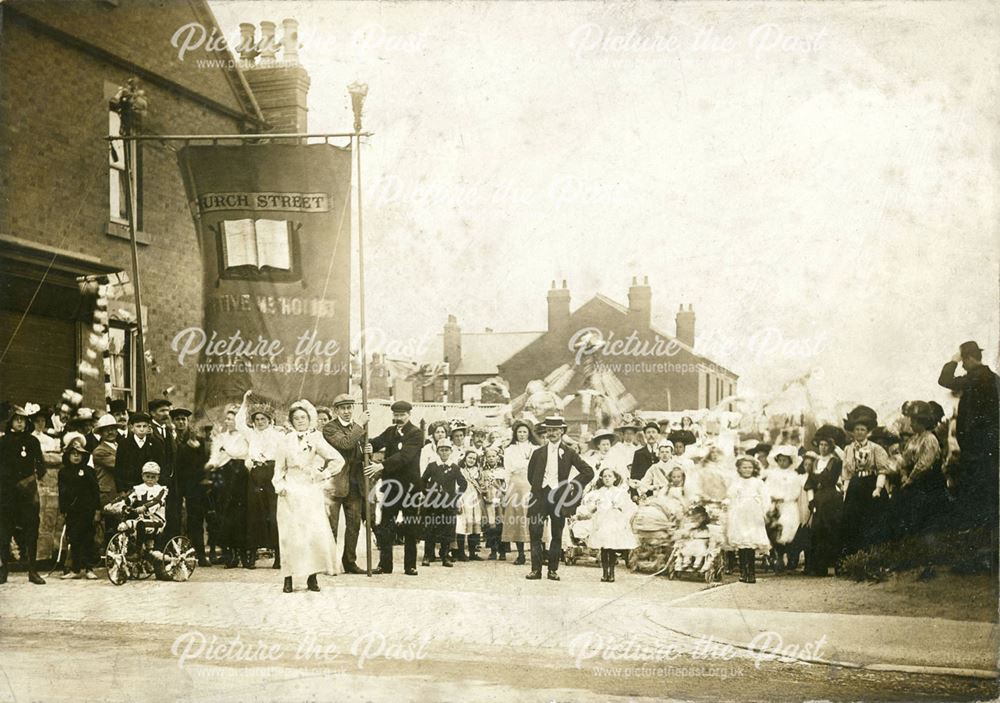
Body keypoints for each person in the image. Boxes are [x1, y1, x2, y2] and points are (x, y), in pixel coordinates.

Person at [272, 399, 345, 593]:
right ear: (291, 421)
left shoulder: (316, 439)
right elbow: (278, 468)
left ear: (309, 419)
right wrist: (279, 486)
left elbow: (338, 460)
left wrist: (323, 473)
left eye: (303, 417)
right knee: (289, 536)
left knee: (311, 534)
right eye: (296, 418)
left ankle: (312, 578)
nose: (300, 421)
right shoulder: (284, 441)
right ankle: (288, 578)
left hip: (309, 491)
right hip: (290, 491)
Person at [938, 341, 1000, 535]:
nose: (962, 366)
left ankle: (978, 526)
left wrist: (952, 360)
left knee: (975, 482)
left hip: (977, 441)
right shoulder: (994, 378)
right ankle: (988, 525)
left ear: (969, 358)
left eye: (963, 361)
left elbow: (945, 380)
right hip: (991, 439)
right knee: (989, 480)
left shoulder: (976, 377)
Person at [525, 416, 594, 582]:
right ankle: (535, 570)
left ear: (562, 431)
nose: (552, 433)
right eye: (549, 430)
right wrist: (539, 487)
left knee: (556, 535)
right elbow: (530, 475)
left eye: (555, 430)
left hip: (558, 498)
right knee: (535, 533)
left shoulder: (569, 452)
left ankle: (553, 570)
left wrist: (572, 486)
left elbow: (588, 472)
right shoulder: (538, 452)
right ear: (546, 432)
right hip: (539, 496)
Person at [365, 401, 423, 576]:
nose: (398, 418)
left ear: (409, 415)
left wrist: (381, 466)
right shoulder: (390, 431)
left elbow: (404, 456)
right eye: (396, 415)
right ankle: (385, 564)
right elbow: (376, 442)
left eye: (402, 415)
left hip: (410, 489)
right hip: (391, 488)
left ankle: (410, 565)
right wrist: (369, 445)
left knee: (410, 527)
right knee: (386, 526)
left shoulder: (416, 433)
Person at [321, 394, 370, 575]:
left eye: (350, 407)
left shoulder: (357, 428)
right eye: (343, 408)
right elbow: (345, 443)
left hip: (355, 484)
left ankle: (349, 562)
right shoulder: (329, 428)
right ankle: (329, 563)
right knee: (331, 526)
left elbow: (356, 452)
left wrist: (367, 451)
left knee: (354, 525)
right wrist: (360, 424)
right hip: (335, 483)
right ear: (336, 411)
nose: (347, 411)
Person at [0, 406, 47, 585]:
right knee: (4, 531)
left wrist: (29, 482)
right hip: (7, 494)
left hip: (27, 495)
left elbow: (41, 467)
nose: (20, 422)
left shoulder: (33, 441)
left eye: (23, 419)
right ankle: (3, 570)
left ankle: (32, 571)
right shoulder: (3, 442)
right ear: (10, 421)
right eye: (16, 419)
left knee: (31, 531)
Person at [839, 405, 893, 558]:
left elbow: (882, 470)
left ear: (867, 431)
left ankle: (873, 556)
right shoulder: (849, 449)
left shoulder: (876, 449)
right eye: (857, 429)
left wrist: (878, 488)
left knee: (872, 520)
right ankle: (855, 557)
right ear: (852, 431)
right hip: (856, 486)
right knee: (852, 519)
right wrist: (846, 491)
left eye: (862, 429)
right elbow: (847, 473)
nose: (859, 432)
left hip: (871, 484)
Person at [236, 391, 281, 569]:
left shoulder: (278, 435)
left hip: (272, 473)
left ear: (269, 420)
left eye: (263, 419)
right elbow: (239, 423)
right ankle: (252, 554)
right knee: (254, 514)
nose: (260, 422)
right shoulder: (251, 434)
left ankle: (278, 555)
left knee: (273, 514)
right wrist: (244, 402)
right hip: (255, 474)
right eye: (257, 419)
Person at [206, 405, 250, 568]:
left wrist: (228, 451)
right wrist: (211, 464)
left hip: (240, 475)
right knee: (225, 513)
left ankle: (243, 553)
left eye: (231, 418)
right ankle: (229, 553)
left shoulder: (245, 436)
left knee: (241, 514)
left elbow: (242, 453)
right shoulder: (221, 437)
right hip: (224, 476)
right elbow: (215, 456)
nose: (228, 421)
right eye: (227, 418)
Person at [578, 467, 637, 583]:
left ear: (615, 478)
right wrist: (591, 508)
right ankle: (605, 572)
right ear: (601, 478)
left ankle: (612, 572)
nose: (607, 478)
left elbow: (627, 507)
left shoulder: (620, 492)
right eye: (604, 476)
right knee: (604, 548)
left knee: (612, 548)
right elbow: (591, 507)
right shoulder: (598, 492)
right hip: (602, 522)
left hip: (614, 522)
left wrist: (619, 508)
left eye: (610, 476)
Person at [170, 408, 211, 566]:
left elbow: (202, 463)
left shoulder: (197, 441)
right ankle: (175, 553)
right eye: (178, 419)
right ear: (173, 421)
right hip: (175, 485)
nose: (181, 422)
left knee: (195, 520)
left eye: (183, 419)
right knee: (175, 519)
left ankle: (200, 555)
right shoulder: (170, 438)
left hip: (193, 486)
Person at [804, 427, 844, 576]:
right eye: (821, 445)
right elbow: (809, 485)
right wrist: (811, 501)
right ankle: (819, 567)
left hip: (832, 498)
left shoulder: (835, 461)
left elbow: (844, 460)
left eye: (826, 445)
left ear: (831, 446)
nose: (823, 448)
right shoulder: (815, 463)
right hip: (819, 500)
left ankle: (836, 566)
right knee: (818, 532)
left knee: (832, 530)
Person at [897, 403, 943, 535]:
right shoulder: (913, 440)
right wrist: (903, 475)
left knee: (928, 518)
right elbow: (904, 460)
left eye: (913, 420)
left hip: (928, 481)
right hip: (914, 481)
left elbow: (924, 463)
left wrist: (910, 479)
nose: (910, 424)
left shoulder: (930, 439)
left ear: (921, 422)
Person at [57, 442, 101, 580]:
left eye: (79, 455)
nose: (76, 457)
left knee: (88, 539)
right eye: (73, 454)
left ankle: (89, 568)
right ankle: (75, 569)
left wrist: (97, 510)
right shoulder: (63, 472)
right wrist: (64, 509)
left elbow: (95, 492)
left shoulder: (88, 471)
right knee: (74, 538)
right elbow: (61, 492)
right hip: (72, 511)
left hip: (87, 510)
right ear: (68, 456)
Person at [420, 439, 466, 568]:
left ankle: (445, 555)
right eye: (442, 450)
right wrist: (427, 493)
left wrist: (455, 497)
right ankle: (428, 555)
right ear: (437, 451)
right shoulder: (432, 465)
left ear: (451, 451)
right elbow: (422, 480)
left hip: (448, 504)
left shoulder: (455, 467)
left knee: (447, 530)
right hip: (433, 504)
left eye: (447, 450)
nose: (444, 453)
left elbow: (463, 483)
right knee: (430, 529)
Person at [725, 456, 770, 584]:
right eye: (744, 467)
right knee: (742, 543)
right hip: (739, 515)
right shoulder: (736, 482)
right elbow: (730, 496)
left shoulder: (758, 482)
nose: (747, 470)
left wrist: (764, 511)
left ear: (754, 468)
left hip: (753, 515)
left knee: (750, 543)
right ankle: (743, 572)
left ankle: (751, 573)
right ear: (739, 468)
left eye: (750, 467)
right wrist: (727, 504)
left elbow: (765, 498)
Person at [764, 446, 806, 573]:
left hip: (788, 505)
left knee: (789, 528)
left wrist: (785, 498)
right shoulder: (772, 474)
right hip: (774, 505)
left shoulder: (794, 476)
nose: (782, 463)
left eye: (785, 460)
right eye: (780, 460)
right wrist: (772, 498)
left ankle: (791, 556)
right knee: (774, 530)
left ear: (790, 461)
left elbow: (796, 491)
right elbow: (766, 489)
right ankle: (778, 556)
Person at [501, 419, 536, 565]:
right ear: (515, 433)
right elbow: (507, 470)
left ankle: (537, 553)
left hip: (532, 484)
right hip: (515, 485)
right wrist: (506, 488)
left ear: (529, 433)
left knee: (534, 516)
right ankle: (520, 553)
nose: (522, 434)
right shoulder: (509, 450)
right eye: (519, 432)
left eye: (525, 432)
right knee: (516, 517)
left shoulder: (535, 448)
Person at [113, 412, 165, 494]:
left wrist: (159, 487)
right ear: (132, 428)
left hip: (150, 487)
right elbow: (119, 469)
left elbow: (161, 465)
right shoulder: (124, 444)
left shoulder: (155, 444)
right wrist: (121, 489)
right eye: (138, 426)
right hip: (130, 488)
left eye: (144, 426)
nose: (141, 429)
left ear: (148, 428)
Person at [91, 413, 121, 547]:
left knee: (119, 526)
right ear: (101, 433)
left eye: (113, 428)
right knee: (110, 525)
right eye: (106, 429)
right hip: (108, 493)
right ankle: (108, 556)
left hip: (119, 493)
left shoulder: (119, 447)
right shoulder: (99, 451)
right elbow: (120, 465)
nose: (111, 432)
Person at [455, 449, 484, 561]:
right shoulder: (460, 470)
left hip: (475, 500)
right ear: (465, 458)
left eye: (474, 458)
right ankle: (461, 552)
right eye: (469, 458)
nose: (471, 460)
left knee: (475, 526)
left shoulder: (478, 471)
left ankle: (473, 552)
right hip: (463, 498)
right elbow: (456, 486)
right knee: (462, 526)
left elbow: (481, 485)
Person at [480, 447, 506, 559]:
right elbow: (481, 485)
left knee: (501, 524)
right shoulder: (483, 472)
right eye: (489, 456)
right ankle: (493, 550)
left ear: (498, 458)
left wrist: (500, 494)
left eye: (493, 456)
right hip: (489, 500)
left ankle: (503, 551)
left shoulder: (502, 471)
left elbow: (505, 485)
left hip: (500, 500)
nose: (491, 459)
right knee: (491, 525)